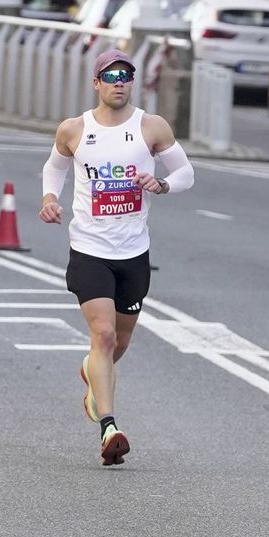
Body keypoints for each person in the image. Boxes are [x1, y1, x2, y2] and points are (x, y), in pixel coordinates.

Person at [39, 49, 195, 467]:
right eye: (110, 76)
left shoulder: (151, 127)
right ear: (97, 83)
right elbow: (54, 168)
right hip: (89, 249)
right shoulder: (74, 129)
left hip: (134, 252)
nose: (119, 82)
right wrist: (49, 198)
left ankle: (93, 371)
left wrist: (161, 184)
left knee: (118, 343)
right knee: (104, 335)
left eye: (126, 75)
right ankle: (109, 427)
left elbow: (186, 173)